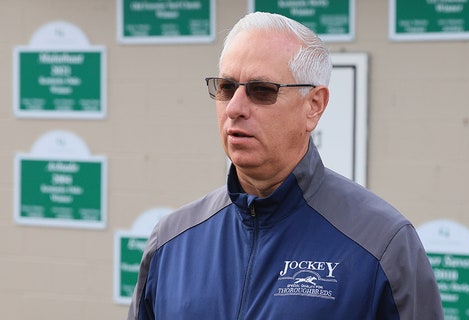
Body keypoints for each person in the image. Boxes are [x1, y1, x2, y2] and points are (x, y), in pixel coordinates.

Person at [128, 11, 443, 320]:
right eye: (226, 88)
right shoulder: (171, 241)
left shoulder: (381, 244)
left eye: (261, 91)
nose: (235, 108)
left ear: (313, 106)